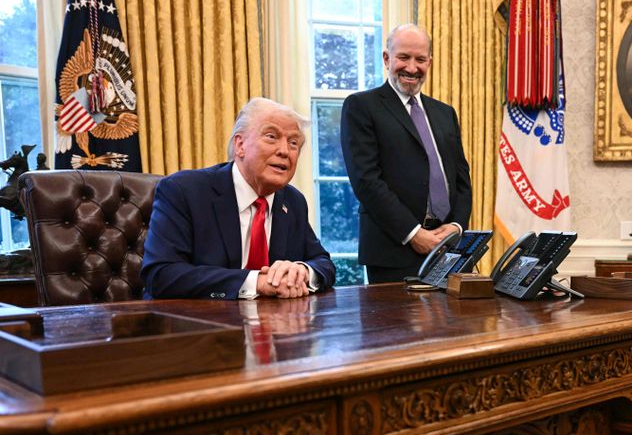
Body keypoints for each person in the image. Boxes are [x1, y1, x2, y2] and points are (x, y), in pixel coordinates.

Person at [142, 97, 336, 299]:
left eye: (293, 143)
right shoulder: (184, 191)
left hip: (273, 318)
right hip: (195, 317)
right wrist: (256, 282)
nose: (284, 151)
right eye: (271, 136)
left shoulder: (293, 201)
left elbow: (323, 263)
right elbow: (161, 274)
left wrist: (302, 271)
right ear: (240, 145)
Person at [340, 24, 472, 283]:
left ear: (429, 62)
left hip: (448, 250)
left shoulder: (445, 113)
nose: (412, 68)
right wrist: (413, 234)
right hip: (393, 252)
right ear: (386, 58)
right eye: (403, 57)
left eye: (420, 59)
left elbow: (461, 179)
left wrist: (456, 227)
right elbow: (366, 181)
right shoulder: (361, 106)